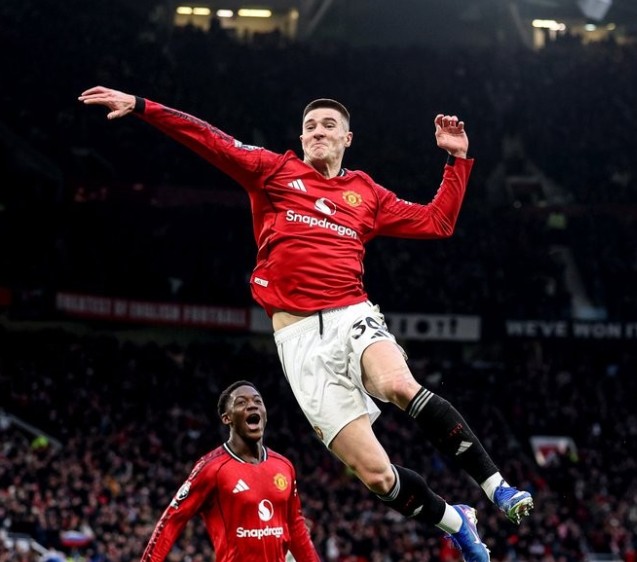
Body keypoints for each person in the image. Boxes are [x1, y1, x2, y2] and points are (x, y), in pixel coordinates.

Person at [80, 86, 534, 562]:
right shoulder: (274, 171)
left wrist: (456, 160)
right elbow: (210, 140)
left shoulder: (366, 192)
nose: (318, 132)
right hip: (297, 340)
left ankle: (498, 487)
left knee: (399, 385)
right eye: (310, 126)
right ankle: (457, 521)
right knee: (377, 476)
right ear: (301, 138)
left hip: (351, 313)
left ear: (347, 139)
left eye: (328, 126)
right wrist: (144, 107)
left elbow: (438, 222)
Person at [139, 380, 320, 562]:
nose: (252, 405)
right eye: (241, 402)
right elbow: (172, 519)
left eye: (258, 401)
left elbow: (296, 527)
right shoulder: (212, 468)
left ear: (265, 414)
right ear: (227, 418)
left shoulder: (283, 466)